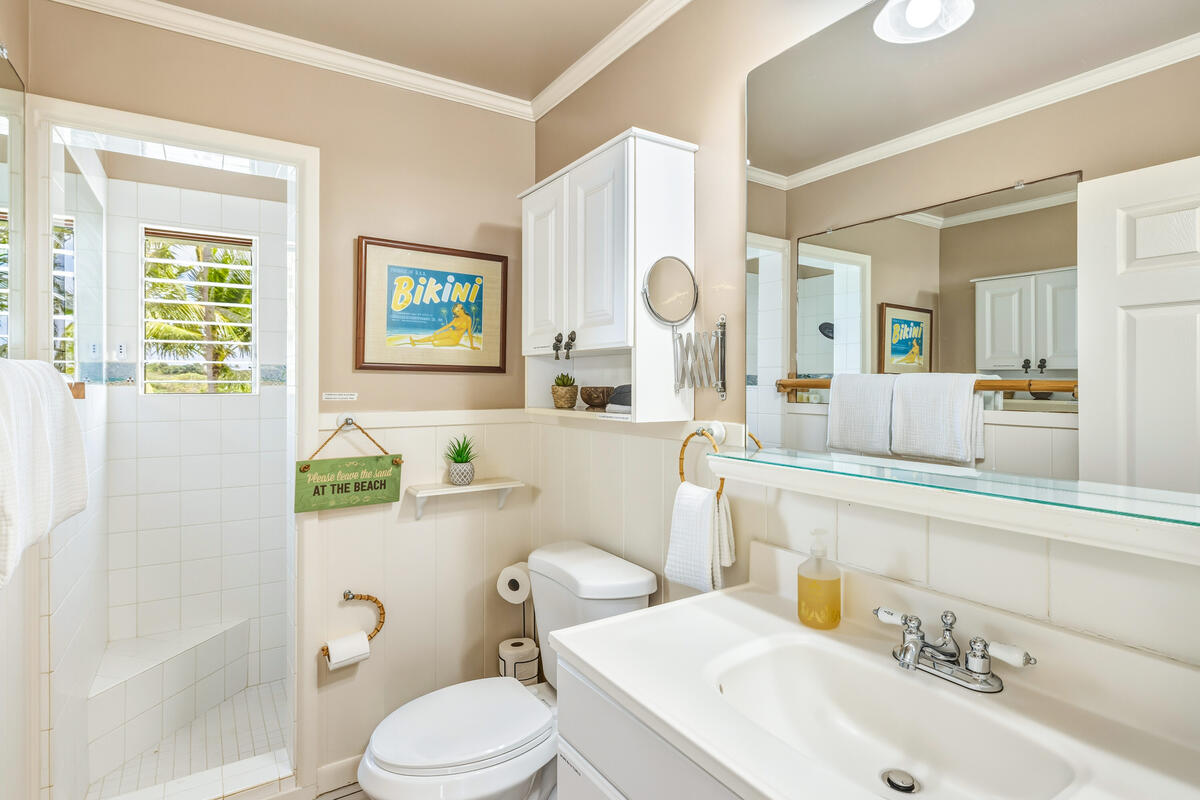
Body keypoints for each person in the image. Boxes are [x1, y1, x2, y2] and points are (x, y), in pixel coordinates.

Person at [406, 303, 479, 349]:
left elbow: (469, 332)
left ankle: (417, 342)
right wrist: (437, 331)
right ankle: (415, 341)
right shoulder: (456, 319)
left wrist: (472, 346)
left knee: (435, 343)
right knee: (433, 337)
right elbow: (447, 326)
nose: (457, 313)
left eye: (458, 311)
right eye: (456, 312)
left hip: (454, 340)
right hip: (450, 333)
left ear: (461, 309)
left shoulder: (468, 318)